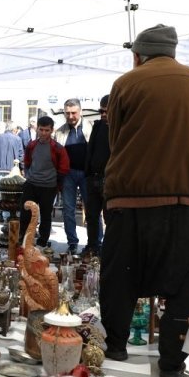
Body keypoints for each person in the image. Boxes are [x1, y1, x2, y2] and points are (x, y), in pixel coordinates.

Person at [99, 24, 189, 377]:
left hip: (133, 199)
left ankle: (117, 346)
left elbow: (116, 140)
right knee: (185, 289)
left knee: (120, 279)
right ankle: (170, 364)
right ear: (174, 52)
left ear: (137, 55)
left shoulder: (126, 83)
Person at [18, 116, 69, 248]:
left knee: (46, 216)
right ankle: (23, 240)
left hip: (48, 186)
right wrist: (29, 175)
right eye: (41, 130)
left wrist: (56, 183)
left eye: (47, 130)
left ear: (52, 130)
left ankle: (42, 242)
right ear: (37, 129)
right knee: (25, 213)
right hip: (32, 184)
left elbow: (64, 168)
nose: (44, 133)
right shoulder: (31, 145)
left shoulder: (58, 148)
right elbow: (27, 162)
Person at [55, 98, 88, 254]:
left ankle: (95, 243)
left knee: (92, 209)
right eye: (67, 113)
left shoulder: (90, 128)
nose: (70, 116)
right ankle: (72, 242)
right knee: (68, 209)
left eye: (73, 113)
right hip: (68, 174)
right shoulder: (60, 131)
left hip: (87, 174)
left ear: (80, 112)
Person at [83, 95, 110, 257]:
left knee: (109, 217)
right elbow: (90, 150)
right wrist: (87, 174)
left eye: (107, 111)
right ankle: (92, 245)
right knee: (92, 216)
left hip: (109, 179)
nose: (103, 114)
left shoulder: (120, 127)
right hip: (93, 178)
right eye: (101, 111)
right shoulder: (98, 125)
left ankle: (108, 248)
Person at [0, 121, 23, 221]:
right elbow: (21, 156)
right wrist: (22, 169)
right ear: (14, 129)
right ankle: (8, 217)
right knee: (9, 194)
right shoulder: (17, 139)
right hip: (12, 171)